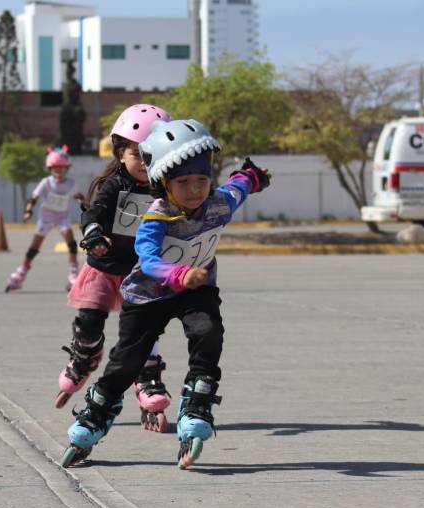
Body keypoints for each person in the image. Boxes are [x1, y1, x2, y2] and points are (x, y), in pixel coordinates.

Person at [60, 119, 271, 469]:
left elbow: (239, 187)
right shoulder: (157, 215)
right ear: (164, 183)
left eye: (202, 180)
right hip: (147, 296)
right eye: (183, 182)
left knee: (209, 333)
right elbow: (148, 259)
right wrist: (180, 273)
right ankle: (94, 417)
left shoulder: (218, 203)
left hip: (195, 290)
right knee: (126, 362)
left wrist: (254, 176)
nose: (194, 190)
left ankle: (197, 402)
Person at [55, 104, 175, 433]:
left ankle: (147, 378)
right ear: (120, 153)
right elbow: (94, 212)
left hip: (143, 273)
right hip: (104, 267)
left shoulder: (166, 188)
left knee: (142, 332)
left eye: (154, 154)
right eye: (138, 154)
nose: (146, 163)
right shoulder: (111, 186)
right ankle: (85, 357)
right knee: (90, 320)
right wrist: (93, 233)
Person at [5, 145, 84, 293]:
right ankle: (21, 273)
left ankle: (73, 273)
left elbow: (77, 197)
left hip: (62, 217)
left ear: (66, 168)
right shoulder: (46, 183)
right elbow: (33, 198)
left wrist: (86, 207)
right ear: (50, 170)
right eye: (55, 168)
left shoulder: (70, 183)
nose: (58, 171)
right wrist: (28, 211)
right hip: (46, 217)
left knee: (71, 241)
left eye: (61, 168)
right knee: (34, 247)